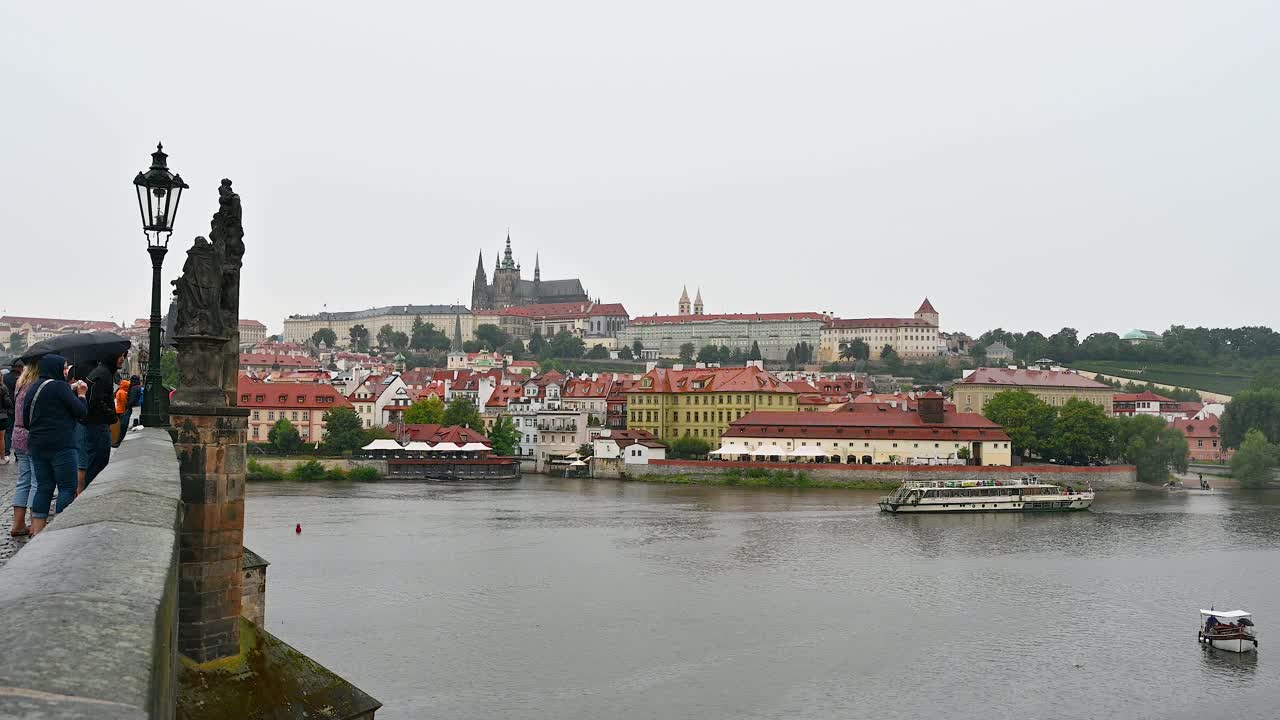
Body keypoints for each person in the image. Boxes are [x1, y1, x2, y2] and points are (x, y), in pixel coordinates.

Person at [26, 354, 88, 535]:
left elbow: (25, 419)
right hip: (62, 445)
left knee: (44, 487)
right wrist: (82, 395)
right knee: (67, 487)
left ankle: (37, 531)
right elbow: (81, 412)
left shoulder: (34, 387)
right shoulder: (60, 387)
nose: (65, 371)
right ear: (56, 368)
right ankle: (59, 531)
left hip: (37, 445)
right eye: (63, 368)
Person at [79, 353, 121, 493]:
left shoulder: (100, 371)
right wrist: (112, 416)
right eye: (120, 356)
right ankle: (90, 494)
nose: (122, 359)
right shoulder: (104, 374)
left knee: (94, 461)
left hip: (93, 422)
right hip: (97, 423)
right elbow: (98, 401)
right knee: (98, 462)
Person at [9, 362, 40, 536]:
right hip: (31, 435)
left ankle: (18, 524)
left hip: (18, 433)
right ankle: (36, 523)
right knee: (37, 480)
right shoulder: (35, 386)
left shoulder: (20, 384)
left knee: (23, 480)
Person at [112, 377, 132, 448]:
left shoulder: (120, 391)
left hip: (119, 410)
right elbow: (124, 402)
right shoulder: (123, 392)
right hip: (121, 410)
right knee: (121, 426)